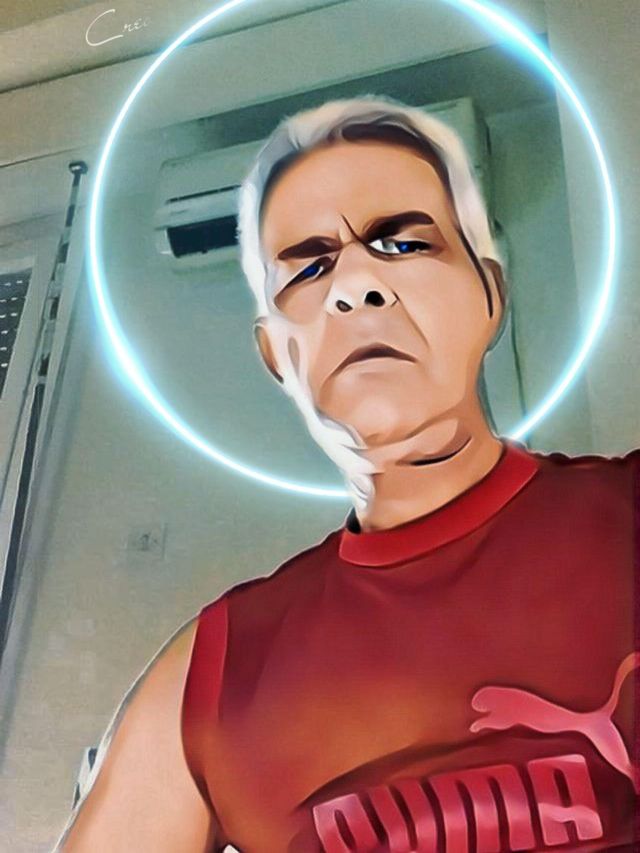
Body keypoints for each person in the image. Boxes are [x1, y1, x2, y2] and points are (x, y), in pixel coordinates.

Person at [55, 95, 638, 852]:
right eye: (310, 265)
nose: (355, 285)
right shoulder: (218, 666)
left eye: (402, 243)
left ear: (489, 295)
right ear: (276, 354)